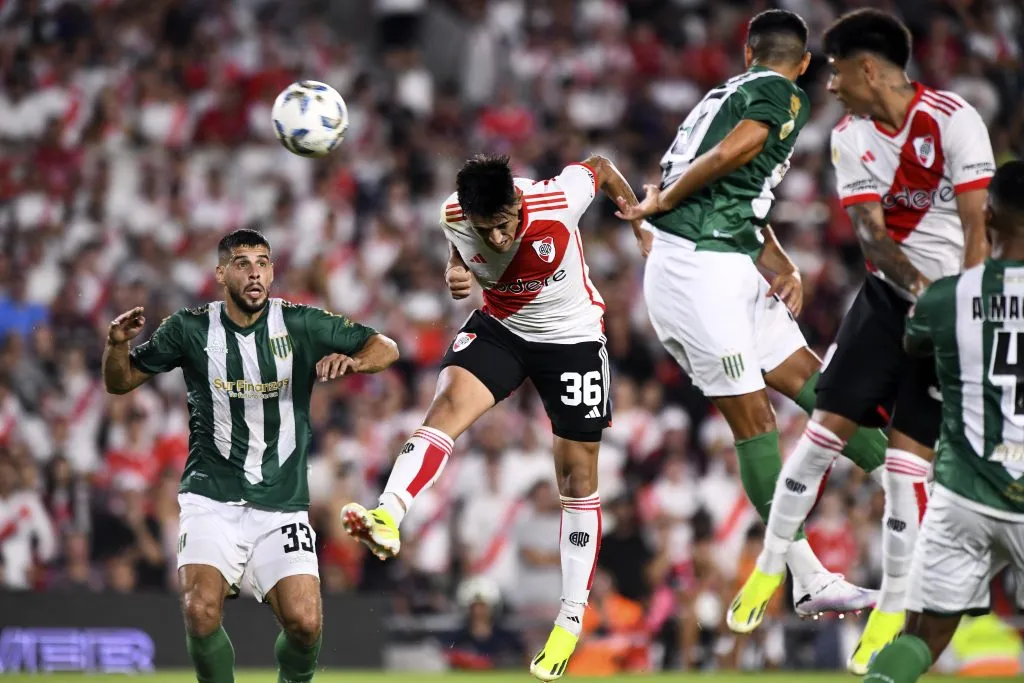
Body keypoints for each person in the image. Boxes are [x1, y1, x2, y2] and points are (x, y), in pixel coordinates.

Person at [728, 9, 996, 674]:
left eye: (839, 71)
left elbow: (976, 228)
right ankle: (776, 569)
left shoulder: (956, 120)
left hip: (947, 316)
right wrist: (920, 292)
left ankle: (889, 613)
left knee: (906, 469)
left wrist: (963, 311)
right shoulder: (849, 138)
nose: (832, 85)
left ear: (868, 67)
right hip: (885, 302)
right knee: (824, 430)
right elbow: (872, 235)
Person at [615, 8, 882, 625]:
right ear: (806, 64)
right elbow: (739, 153)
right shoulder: (782, 94)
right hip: (695, 272)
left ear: (746, 53)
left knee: (822, 388)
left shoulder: (722, 95)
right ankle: (808, 576)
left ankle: (918, 498)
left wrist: (782, 262)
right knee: (755, 419)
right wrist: (665, 200)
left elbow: (738, 197)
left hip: (728, 263)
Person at [341, 152, 642, 681]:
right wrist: (457, 270)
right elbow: (462, 252)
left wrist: (638, 221)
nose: (498, 239)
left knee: (576, 477)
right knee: (445, 406)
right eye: (487, 229)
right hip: (503, 327)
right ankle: (388, 516)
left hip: (571, 337)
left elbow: (601, 165)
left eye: (505, 225)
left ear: (517, 204)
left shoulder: (559, 198)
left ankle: (569, 620)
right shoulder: (453, 216)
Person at [101, 228, 399, 683]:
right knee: (199, 611)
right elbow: (119, 382)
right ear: (221, 273)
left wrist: (354, 362)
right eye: (242, 263)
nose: (255, 272)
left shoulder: (300, 323)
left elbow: (386, 346)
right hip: (210, 497)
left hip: (281, 503)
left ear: (273, 270)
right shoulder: (189, 327)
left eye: (263, 262)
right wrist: (116, 344)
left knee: (305, 623)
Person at [862, 160, 1024, 683]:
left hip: (963, 494)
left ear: (989, 215)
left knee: (921, 638)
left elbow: (915, 342)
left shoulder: (947, 297)